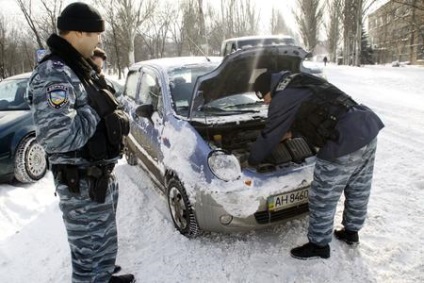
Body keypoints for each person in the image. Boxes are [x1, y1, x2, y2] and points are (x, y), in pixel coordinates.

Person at [27, 2, 134, 282]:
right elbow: (58, 136)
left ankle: (105, 276)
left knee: (103, 247)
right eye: (95, 34)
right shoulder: (54, 73)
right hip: (81, 185)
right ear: (77, 33)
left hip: (96, 180)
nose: (99, 40)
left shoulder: (77, 68)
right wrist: (98, 110)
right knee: (88, 261)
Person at [248, 70, 384, 260]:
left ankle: (319, 245)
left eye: (262, 96)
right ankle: (351, 232)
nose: (264, 101)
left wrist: (251, 160)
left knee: (323, 196)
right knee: (359, 186)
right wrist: (292, 131)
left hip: (343, 139)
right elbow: (317, 108)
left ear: (267, 88)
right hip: (365, 126)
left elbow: (270, 134)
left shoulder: (282, 97)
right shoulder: (299, 79)